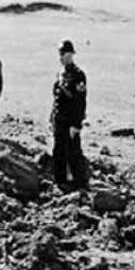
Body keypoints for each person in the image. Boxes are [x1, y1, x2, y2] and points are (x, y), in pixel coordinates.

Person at [50, 40, 89, 191]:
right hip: (59, 119)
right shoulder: (61, 73)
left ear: (71, 55)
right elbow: (57, 98)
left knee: (73, 151)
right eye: (60, 54)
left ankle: (80, 183)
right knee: (58, 150)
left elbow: (80, 102)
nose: (62, 57)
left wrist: (76, 124)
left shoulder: (78, 75)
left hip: (70, 120)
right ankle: (59, 181)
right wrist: (52, 117)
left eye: (65, 54)